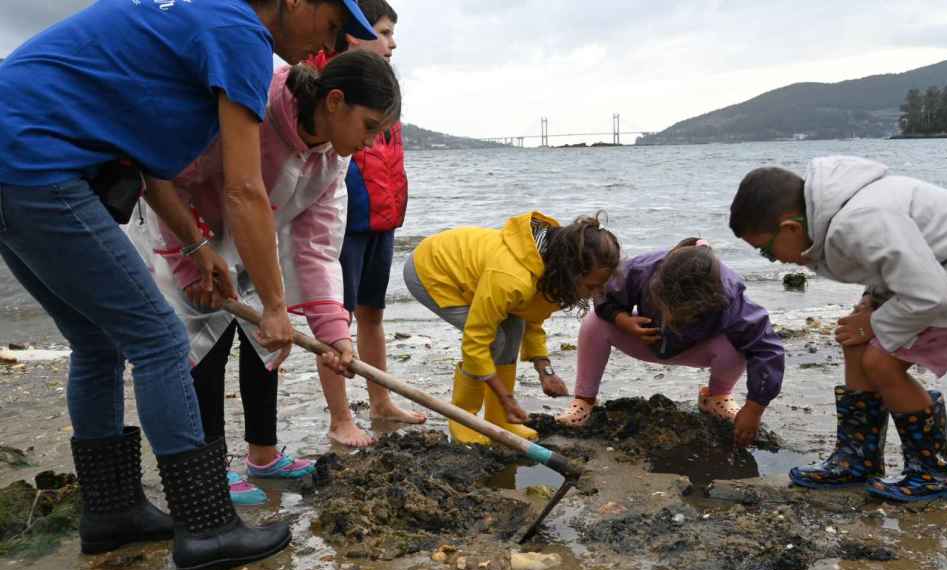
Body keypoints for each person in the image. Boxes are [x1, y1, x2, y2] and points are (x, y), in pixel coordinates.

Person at [0, 0, 378, 570]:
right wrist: (275, 307)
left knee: (98, 343)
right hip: (35, 160)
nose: (323, 48)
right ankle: (206, 527)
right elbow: (243, 190)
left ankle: (112, 512)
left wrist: (199, 248)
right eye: (329, 27)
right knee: (159, 339)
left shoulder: (197, 20)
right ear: (297, 1)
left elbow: (149, 161)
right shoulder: (239, 31)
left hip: (17, 155)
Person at [130, 51, 400, 504]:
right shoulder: (255, 103)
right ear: (335, 101)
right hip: (182, 225)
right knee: (204, 343)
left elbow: (316, 245)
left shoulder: (335, 155)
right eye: (370, 126)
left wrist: (334, 331)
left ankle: (263, 454)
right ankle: (209, 467)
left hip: (254, 233)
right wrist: (188, 256)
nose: (372, 143)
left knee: (269, 336)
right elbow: (168, 177)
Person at [730, 156, 947, 502]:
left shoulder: (858, 221)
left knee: (882, 361)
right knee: (854, 340)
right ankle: (858, 458)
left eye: (766, 251)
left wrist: (875, 322)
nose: (774, 260)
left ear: (792, 228)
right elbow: (891, 264)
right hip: (941, 274)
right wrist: (870, 304)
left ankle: (934, 472)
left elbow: (930, 293)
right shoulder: (837, 214)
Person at [405, 212, 621, 444]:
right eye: (592, 285)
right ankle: (463, 418)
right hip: (433, 271)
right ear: (572, 272)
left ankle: (499, 419)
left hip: (477, 276)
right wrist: (506, 397)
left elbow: (531, 314)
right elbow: (476, 340)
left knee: (513, 330)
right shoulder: (512, 278)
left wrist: (544, 369)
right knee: (494, 340)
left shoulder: (550, 264)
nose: (597, 292)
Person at [317, 0, 425, 448]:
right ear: (353, 32)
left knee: (373, 314)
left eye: (392, 33)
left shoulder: (385, 85)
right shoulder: (331, 78)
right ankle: (341, 417)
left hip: (383, 215)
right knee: (335, 322)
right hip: (346, 221)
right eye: (382, 32)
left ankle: (380, 401)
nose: (392, 42)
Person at [555, 238, 785, 447]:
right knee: (595, 321)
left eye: (683, 312)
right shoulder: (641, 269)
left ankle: (717, 397)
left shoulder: (730, 295)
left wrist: (754, 409)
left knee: (738, 343)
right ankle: (584, 399)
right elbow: (604, 296)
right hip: (645, 338)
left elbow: (766, 348)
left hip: (698, 349)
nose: (673, 317)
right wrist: (623, 320)